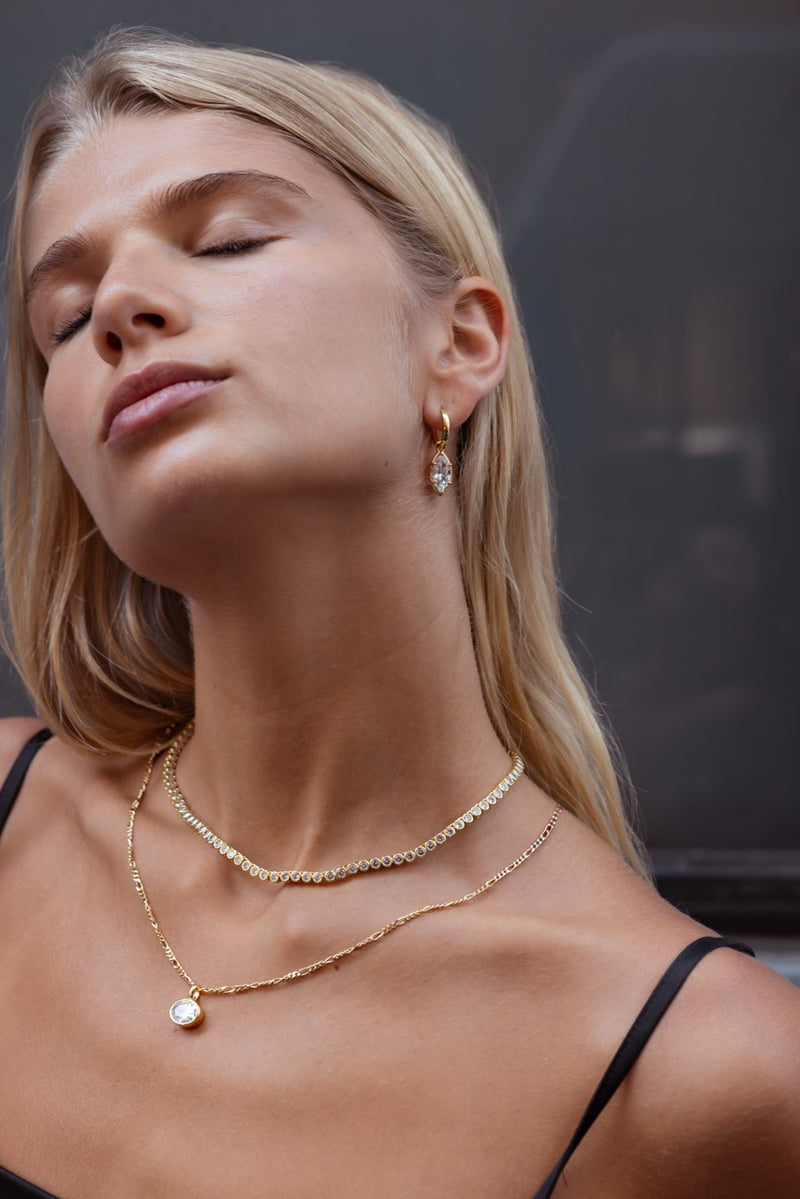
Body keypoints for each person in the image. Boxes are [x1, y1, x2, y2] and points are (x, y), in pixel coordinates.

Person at [0, 28, 798, 1199]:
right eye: (64, 321)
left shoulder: (707, 1073)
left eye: (228, 239)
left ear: (459, 344)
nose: (117, 305)